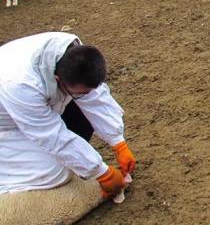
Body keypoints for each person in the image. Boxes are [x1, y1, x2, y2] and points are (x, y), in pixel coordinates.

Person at [0, 32, 136, 199]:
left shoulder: (71, 52)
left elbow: (95, 97)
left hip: (33, 112)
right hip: (7, 124)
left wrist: (118, 143)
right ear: (57, 79)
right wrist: (102, 173)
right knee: (54, 173)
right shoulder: (20, 85)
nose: (84, 95)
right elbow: (51, 135)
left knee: (81, 115)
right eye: (79, 93)